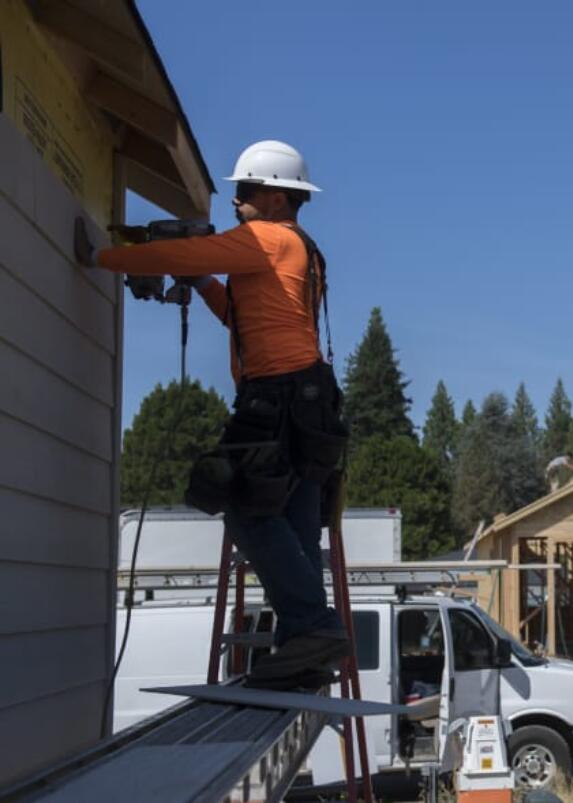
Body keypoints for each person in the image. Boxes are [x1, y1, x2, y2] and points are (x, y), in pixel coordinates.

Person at [75, 140, 349, 684]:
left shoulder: (264, 238)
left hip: (276, 398)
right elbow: (242, 319)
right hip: (309, 402)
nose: (236, 202)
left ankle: (315, 628)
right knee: (293, 525)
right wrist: (204, 285)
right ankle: (304, 654)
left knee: (246, 509)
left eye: (244, 191)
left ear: (273, 197)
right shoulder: (302, 249)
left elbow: (184, 254)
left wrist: (103, 257)